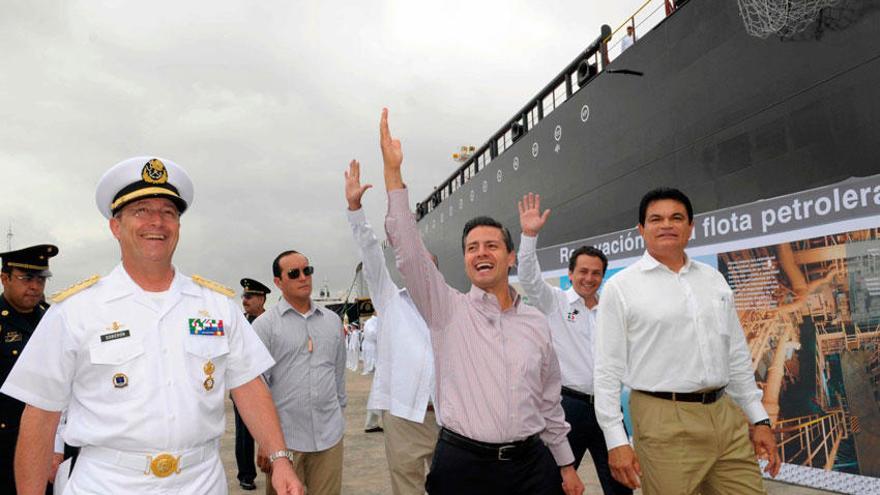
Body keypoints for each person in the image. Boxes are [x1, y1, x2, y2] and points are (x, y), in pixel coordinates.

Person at [0, 156, 303, 495]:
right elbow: (40, 415)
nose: (156, 221)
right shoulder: (75, 310)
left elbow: (249, 386)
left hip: (201, 482)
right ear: (116, 226)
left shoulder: (217, 305)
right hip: (108, 483)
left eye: (168, 212)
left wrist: (279, 458)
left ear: (178, 225)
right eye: (141, 210)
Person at [380, 109, 584, 495]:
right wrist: (393, 175)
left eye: (491, 245)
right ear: (466, 261)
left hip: (530, 466)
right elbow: (408, 252)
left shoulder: (536, 323)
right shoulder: (447, 311)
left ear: (510, 256)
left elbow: (548, 400)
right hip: (463, 467)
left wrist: (566, 463)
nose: (480, 252)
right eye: (472, 248)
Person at [594, 187, 780, 494]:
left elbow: (734, 352)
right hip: (663, 419)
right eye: (656, 219)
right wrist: (616, 440)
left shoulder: (713, 280)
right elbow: (607, 369)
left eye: (676, 217)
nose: (667, 224)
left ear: (690, 227)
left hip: (725, 414)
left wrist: (759, 419)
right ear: (642, 229)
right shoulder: (621, 287)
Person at [517, 193, 631, 495]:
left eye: (596, 273)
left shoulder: (610, 307)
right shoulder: (554, 302)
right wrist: (529, 236)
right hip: (568, 409)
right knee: (555, 484)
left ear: (603, 276)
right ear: (570, 274)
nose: (589, 278)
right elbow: (528, 278)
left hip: (608, 409)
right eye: (583, 271)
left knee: (621, 483)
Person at [345, 159, 439, 495]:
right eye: (415, 267)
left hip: (451, 418)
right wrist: (355, 210)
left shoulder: (454, 307)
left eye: (428, 268)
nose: (420, 274)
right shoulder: (390, 300)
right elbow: (371, 256)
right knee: (408, 488)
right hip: (404, 416)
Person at [253, 251, 346, 495]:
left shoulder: (332, 321)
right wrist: (265, 441)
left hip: (329, 438)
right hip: (286, 443)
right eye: (294, 273)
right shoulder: (265, 326)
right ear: (278, 282)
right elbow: (257, 388)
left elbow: (338, 375)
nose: (303, 277)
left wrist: (339, 414)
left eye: (307, 270)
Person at [0, 244, 59, 495]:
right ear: (4, 278)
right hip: (5, 443)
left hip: (50, 440)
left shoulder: (54, 317)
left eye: (40, 280)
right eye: (26, 279)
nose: (35, 287)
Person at [234, 277, 272, 491]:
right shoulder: (239, 323)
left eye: (249, 296)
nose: (245, 300)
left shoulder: (271, 322)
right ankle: (246, 474)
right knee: (244, 433)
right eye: (243, 296)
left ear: (262, 298)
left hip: (270, 384)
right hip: (243, 385)